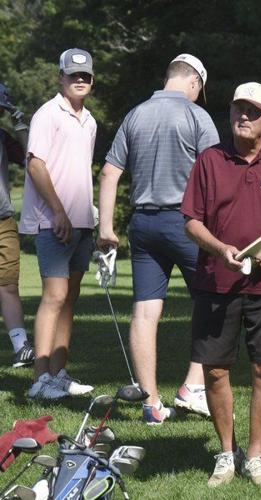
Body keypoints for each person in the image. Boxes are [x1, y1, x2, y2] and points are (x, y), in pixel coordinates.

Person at [181, 82, 261, 486]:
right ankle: (226, 453)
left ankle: (255, 455)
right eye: (239, 108)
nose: (243, 116)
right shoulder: (209, 160)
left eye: (253, 111)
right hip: (216, 280)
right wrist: (221, 249)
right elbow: (191, 220)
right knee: (216, 370)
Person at [97, 53, 220, 424]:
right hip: (186, 224)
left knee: (146, 311)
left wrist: (105, 228)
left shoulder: (135, 115)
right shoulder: (197, 116)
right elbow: (215, 178)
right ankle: (193, 386)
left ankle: (151, 404)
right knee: (215, 301)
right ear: (195, 84)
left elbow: (108, 173)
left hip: (143, 226)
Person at [19, 48, 97, 399]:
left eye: (86, 76)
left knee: (71, 298)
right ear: (60, 78)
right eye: (73, 75)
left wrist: (86, 215)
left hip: (81, 223)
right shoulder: (47, 114)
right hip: (53, 222)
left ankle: (59, 374)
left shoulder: (90, 121)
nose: (79, 80)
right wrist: (60, 213)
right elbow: (36, 165)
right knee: (55, 297)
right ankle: (39, 380)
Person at [0, 83, 34, 368]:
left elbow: (28, 157)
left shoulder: (3, 137)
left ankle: (21, 347)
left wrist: (20, 123)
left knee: (8, 285)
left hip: (2, 220)